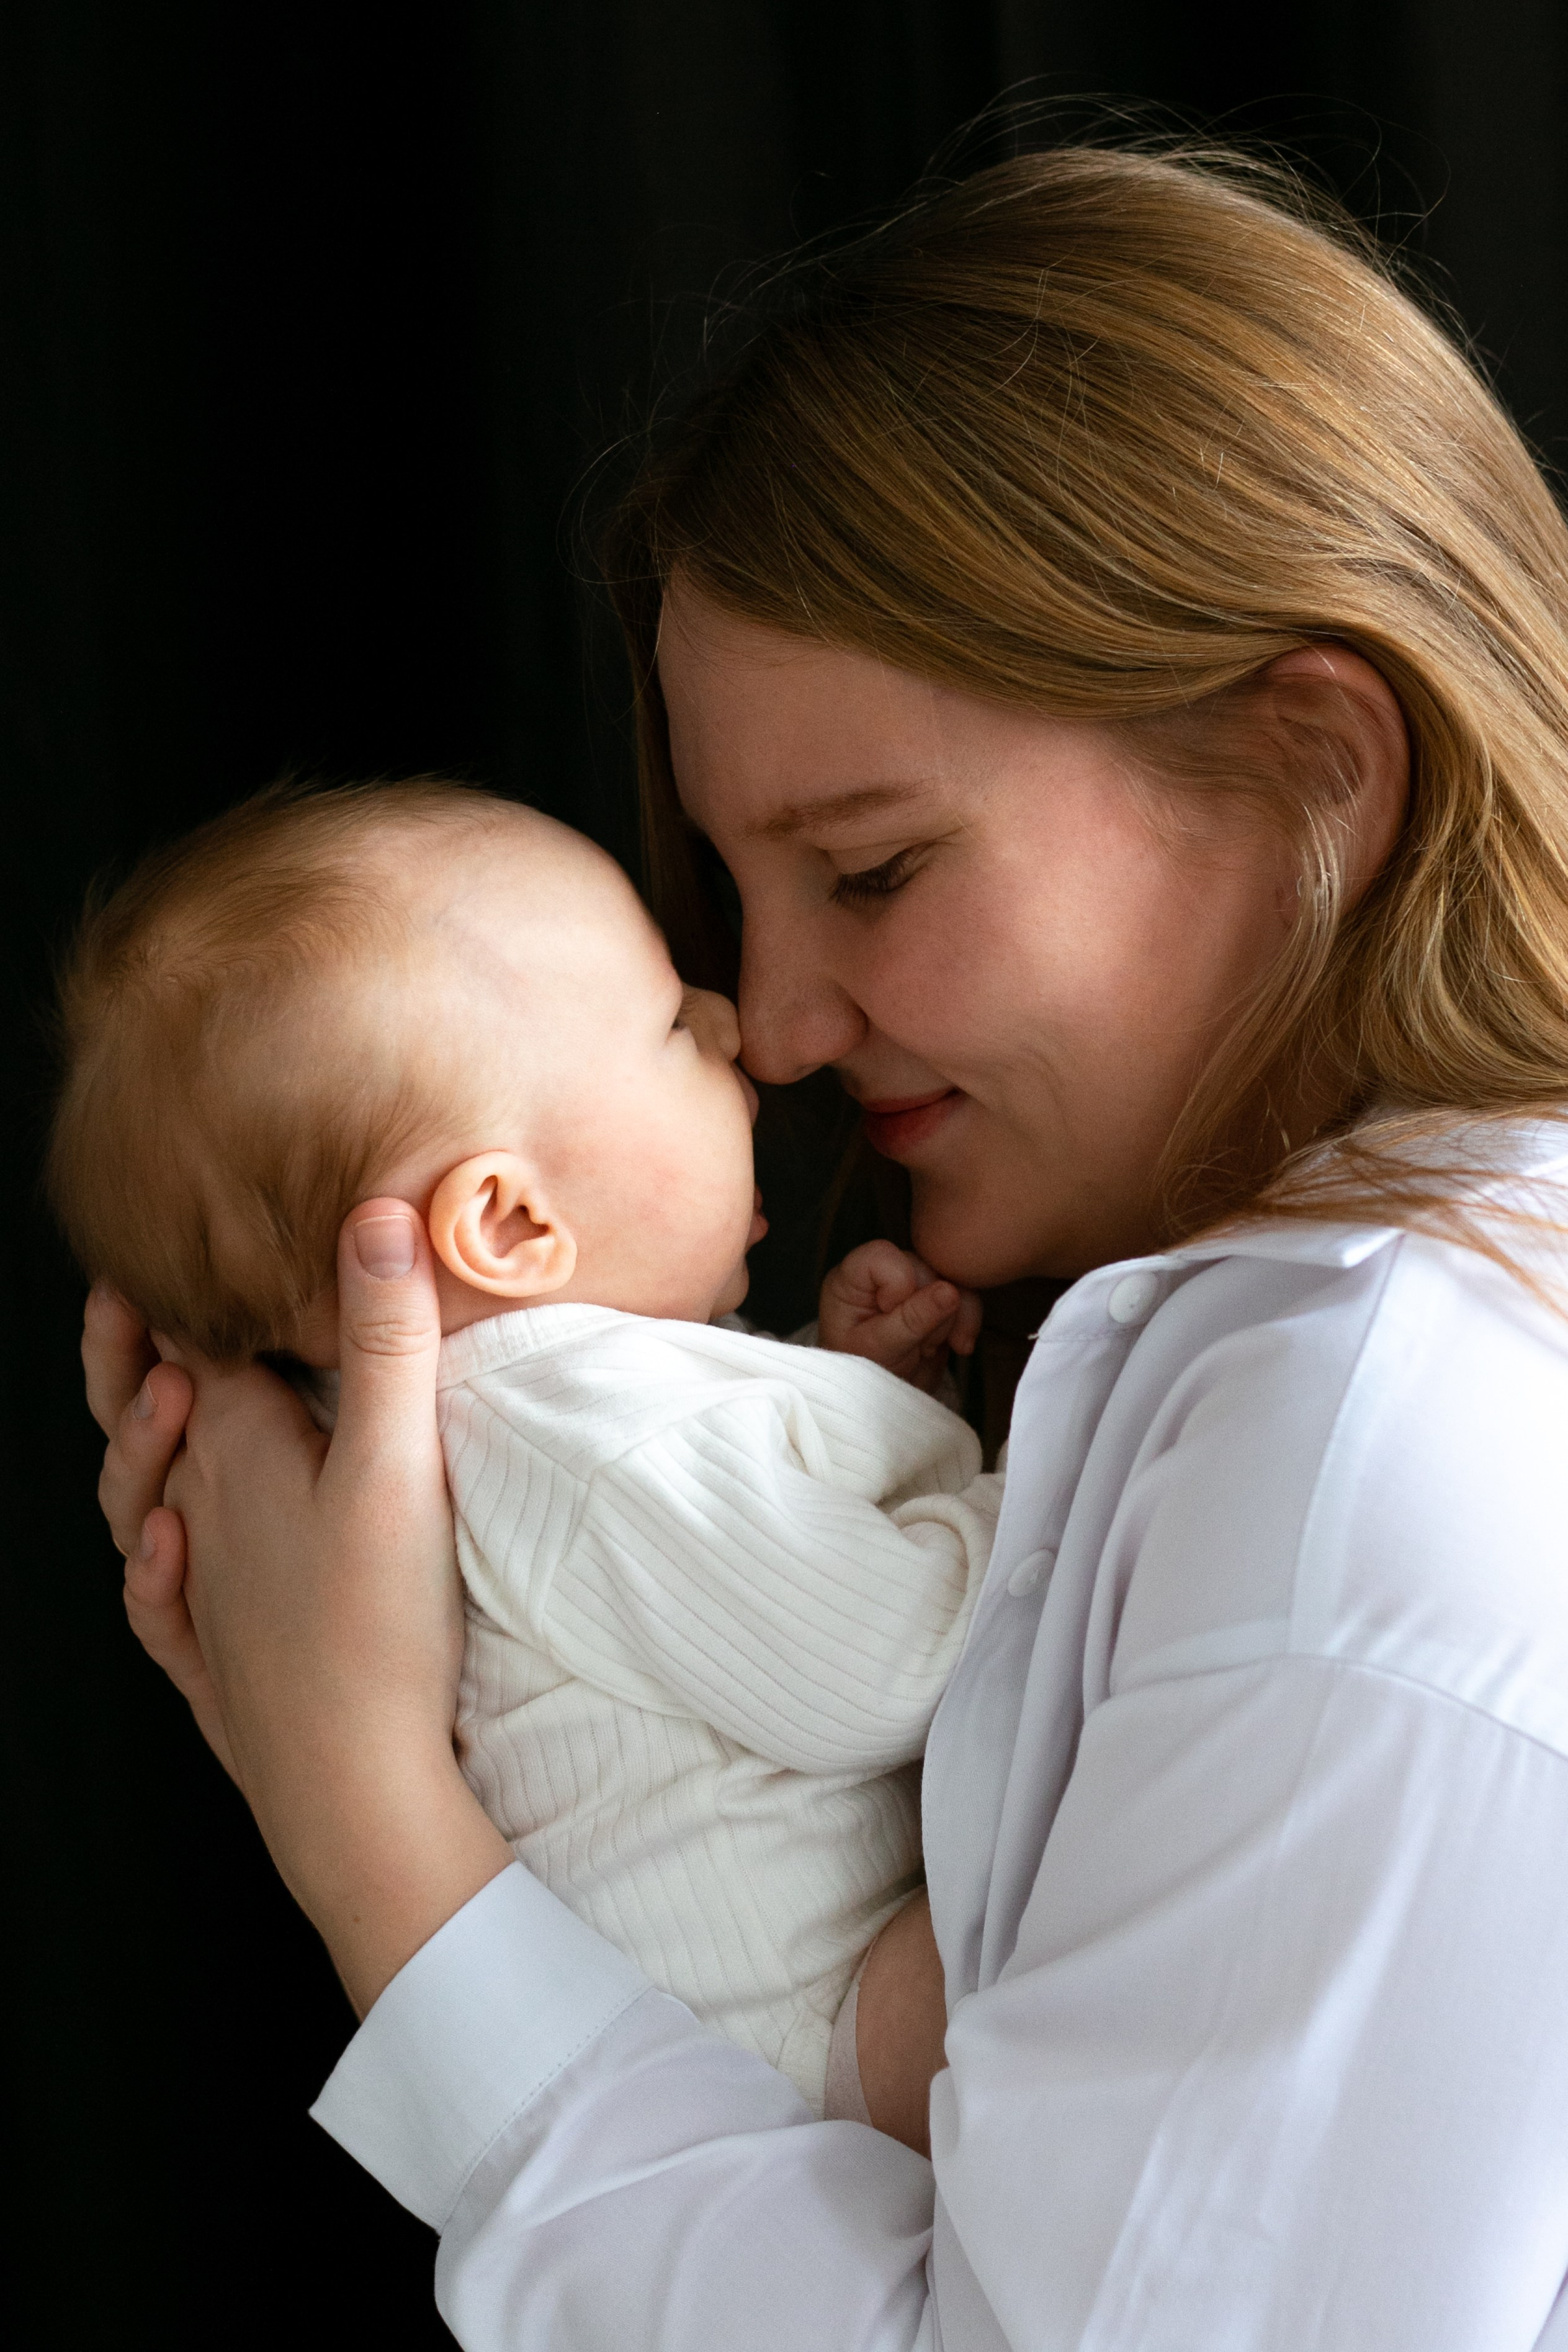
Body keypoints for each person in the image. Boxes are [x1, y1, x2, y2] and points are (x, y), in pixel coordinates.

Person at [84, 143, 1568, 2348]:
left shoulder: (1362, 1437)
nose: (770, 1028)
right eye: (734, 897)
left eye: (865, 871)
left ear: (1308, 774)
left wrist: (375, 1834)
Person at [50, 778, 1000, 2116]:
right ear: (504, 1224)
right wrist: (1049, 1484)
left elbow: (696, 1617)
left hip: (699, 2051)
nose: (737, 1026)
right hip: (826, 2025)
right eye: (673, 1020)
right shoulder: (580, 1437)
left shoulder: (493, 1429)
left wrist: (849, 1392)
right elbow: (893, 1663)